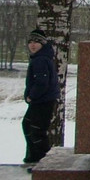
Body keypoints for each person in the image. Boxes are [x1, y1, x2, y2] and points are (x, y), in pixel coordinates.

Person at [23, 29, 59, 166]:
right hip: (42, 100)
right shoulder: (42, 57)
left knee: (37, 131)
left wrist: (31, 96)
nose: (32, 45)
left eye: (36, 42)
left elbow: (42, 82)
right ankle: (34, 158)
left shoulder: (41, 60)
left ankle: (41, 162)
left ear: (43, 44)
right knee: (28, 126)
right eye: (30, 42)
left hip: (42, 101)